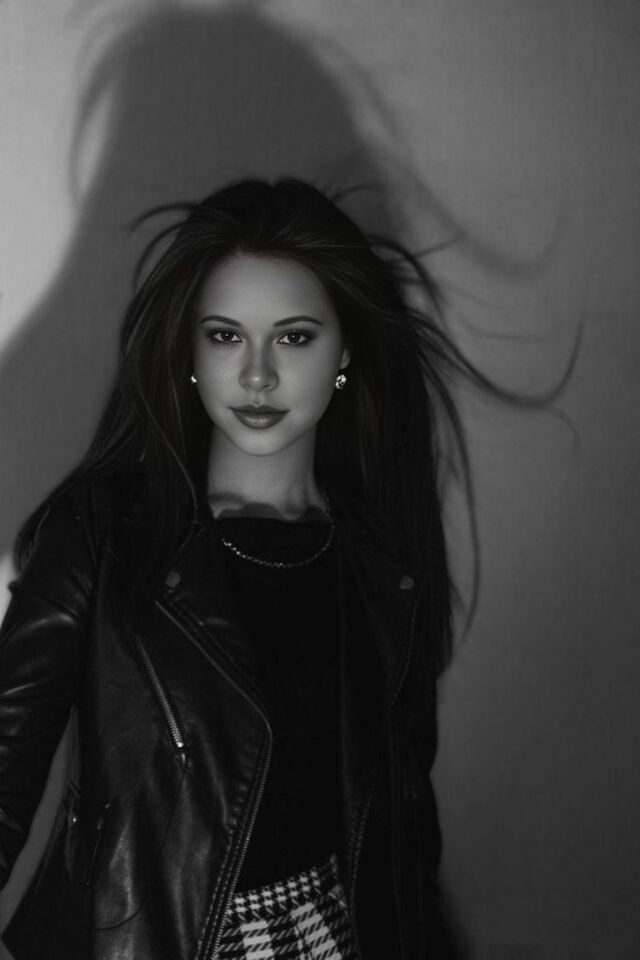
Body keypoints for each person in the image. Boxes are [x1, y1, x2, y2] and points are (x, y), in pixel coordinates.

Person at [0, 178, 521, 960]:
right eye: (224, 335)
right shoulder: (102, 537)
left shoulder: (382, 570)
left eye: (295, 337)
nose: (256, 375)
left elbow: (405, 842)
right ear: (188, 350)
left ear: (345, 352)